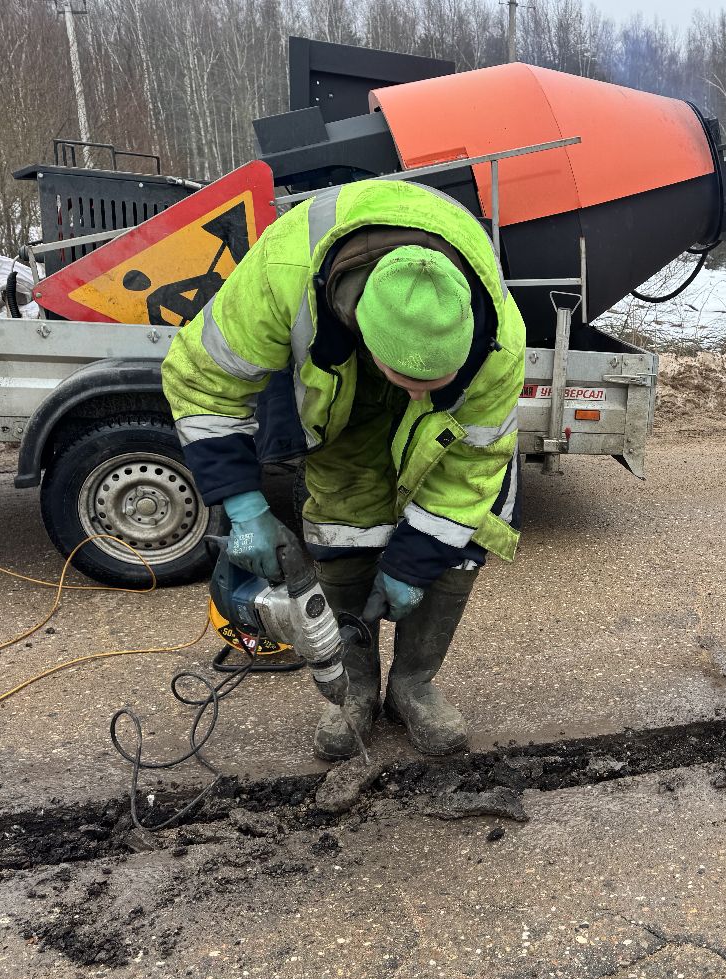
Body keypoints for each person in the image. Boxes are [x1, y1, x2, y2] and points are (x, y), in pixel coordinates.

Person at [162, 179, 525, 760]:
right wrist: (244, 505)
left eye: (436, 383)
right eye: (408, 381)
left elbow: (471, 468)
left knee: (457, 543)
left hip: (447, 432)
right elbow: (202, 381)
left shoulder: (500, 341)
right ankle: (355, 689)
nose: (416, 396)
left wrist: (412, 564)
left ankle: (413, 684)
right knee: (342, 529)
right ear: (364, 334)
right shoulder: (281, 272)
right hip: (342, 400)